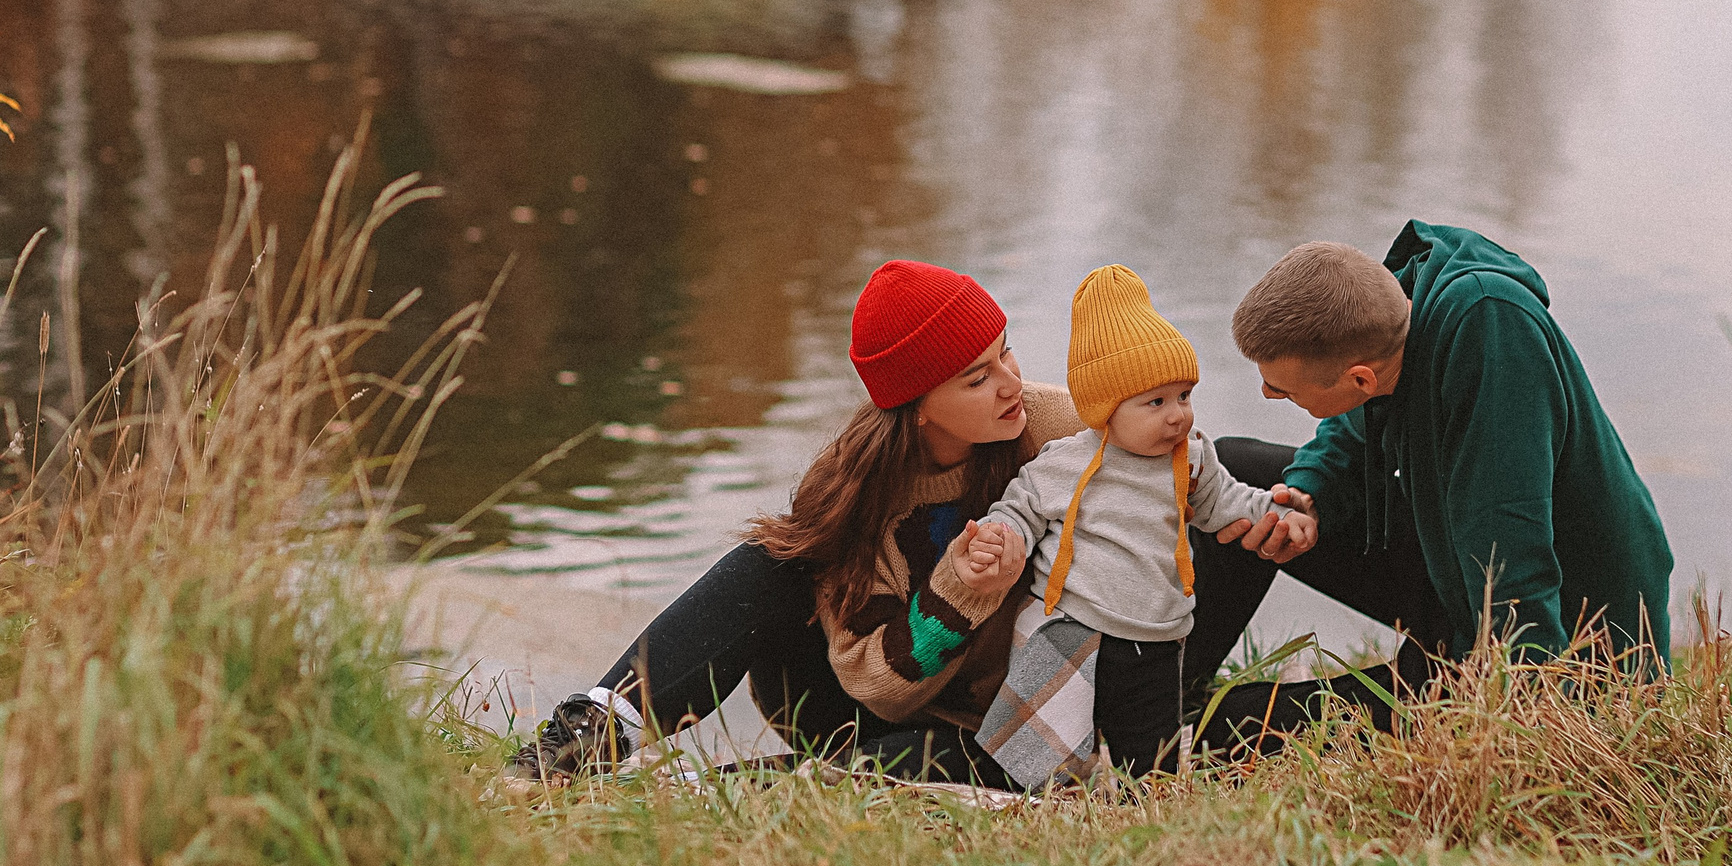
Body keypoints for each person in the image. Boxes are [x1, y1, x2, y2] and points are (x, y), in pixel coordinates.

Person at [505, 259, 1321, 786]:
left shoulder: (1053, 424)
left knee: (1245, 462)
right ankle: (586, 736)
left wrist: (1273, 513)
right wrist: (960, 589)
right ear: (917, 403)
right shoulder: (858, 489)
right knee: (770, 561)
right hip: (884, 702)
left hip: (1043, 692)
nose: (1010, 383)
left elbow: (1180, 449)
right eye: (976, 377)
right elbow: (882, 686)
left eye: (1005, 352)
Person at [1223, 223, 1675, 675]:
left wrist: (1520, 687)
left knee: (1238, 716)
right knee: (1231, 473)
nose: (1267, 394)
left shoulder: (1492, 332)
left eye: (1283, 390)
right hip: (1455, 569)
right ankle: (1179, 691)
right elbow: (1358, 425)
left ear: (1361, 378)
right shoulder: (1395, 318)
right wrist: (1309, 495)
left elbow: (1509, 535)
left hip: (1569, 635)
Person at [964, 266, 1282, 787]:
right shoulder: (1064, 462)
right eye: (1156, 402)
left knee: (1151, 756)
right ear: (1104, 410)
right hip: (1070, 628)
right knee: (1042, 752)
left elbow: (1225, 502)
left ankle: (1145, 801)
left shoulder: (1191, 458)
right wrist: (1001, 538)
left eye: (1184, 395)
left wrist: (1276, 512)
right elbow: (1020, 510)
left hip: (1155, 636)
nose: (1177, 415)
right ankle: (1042, 795)